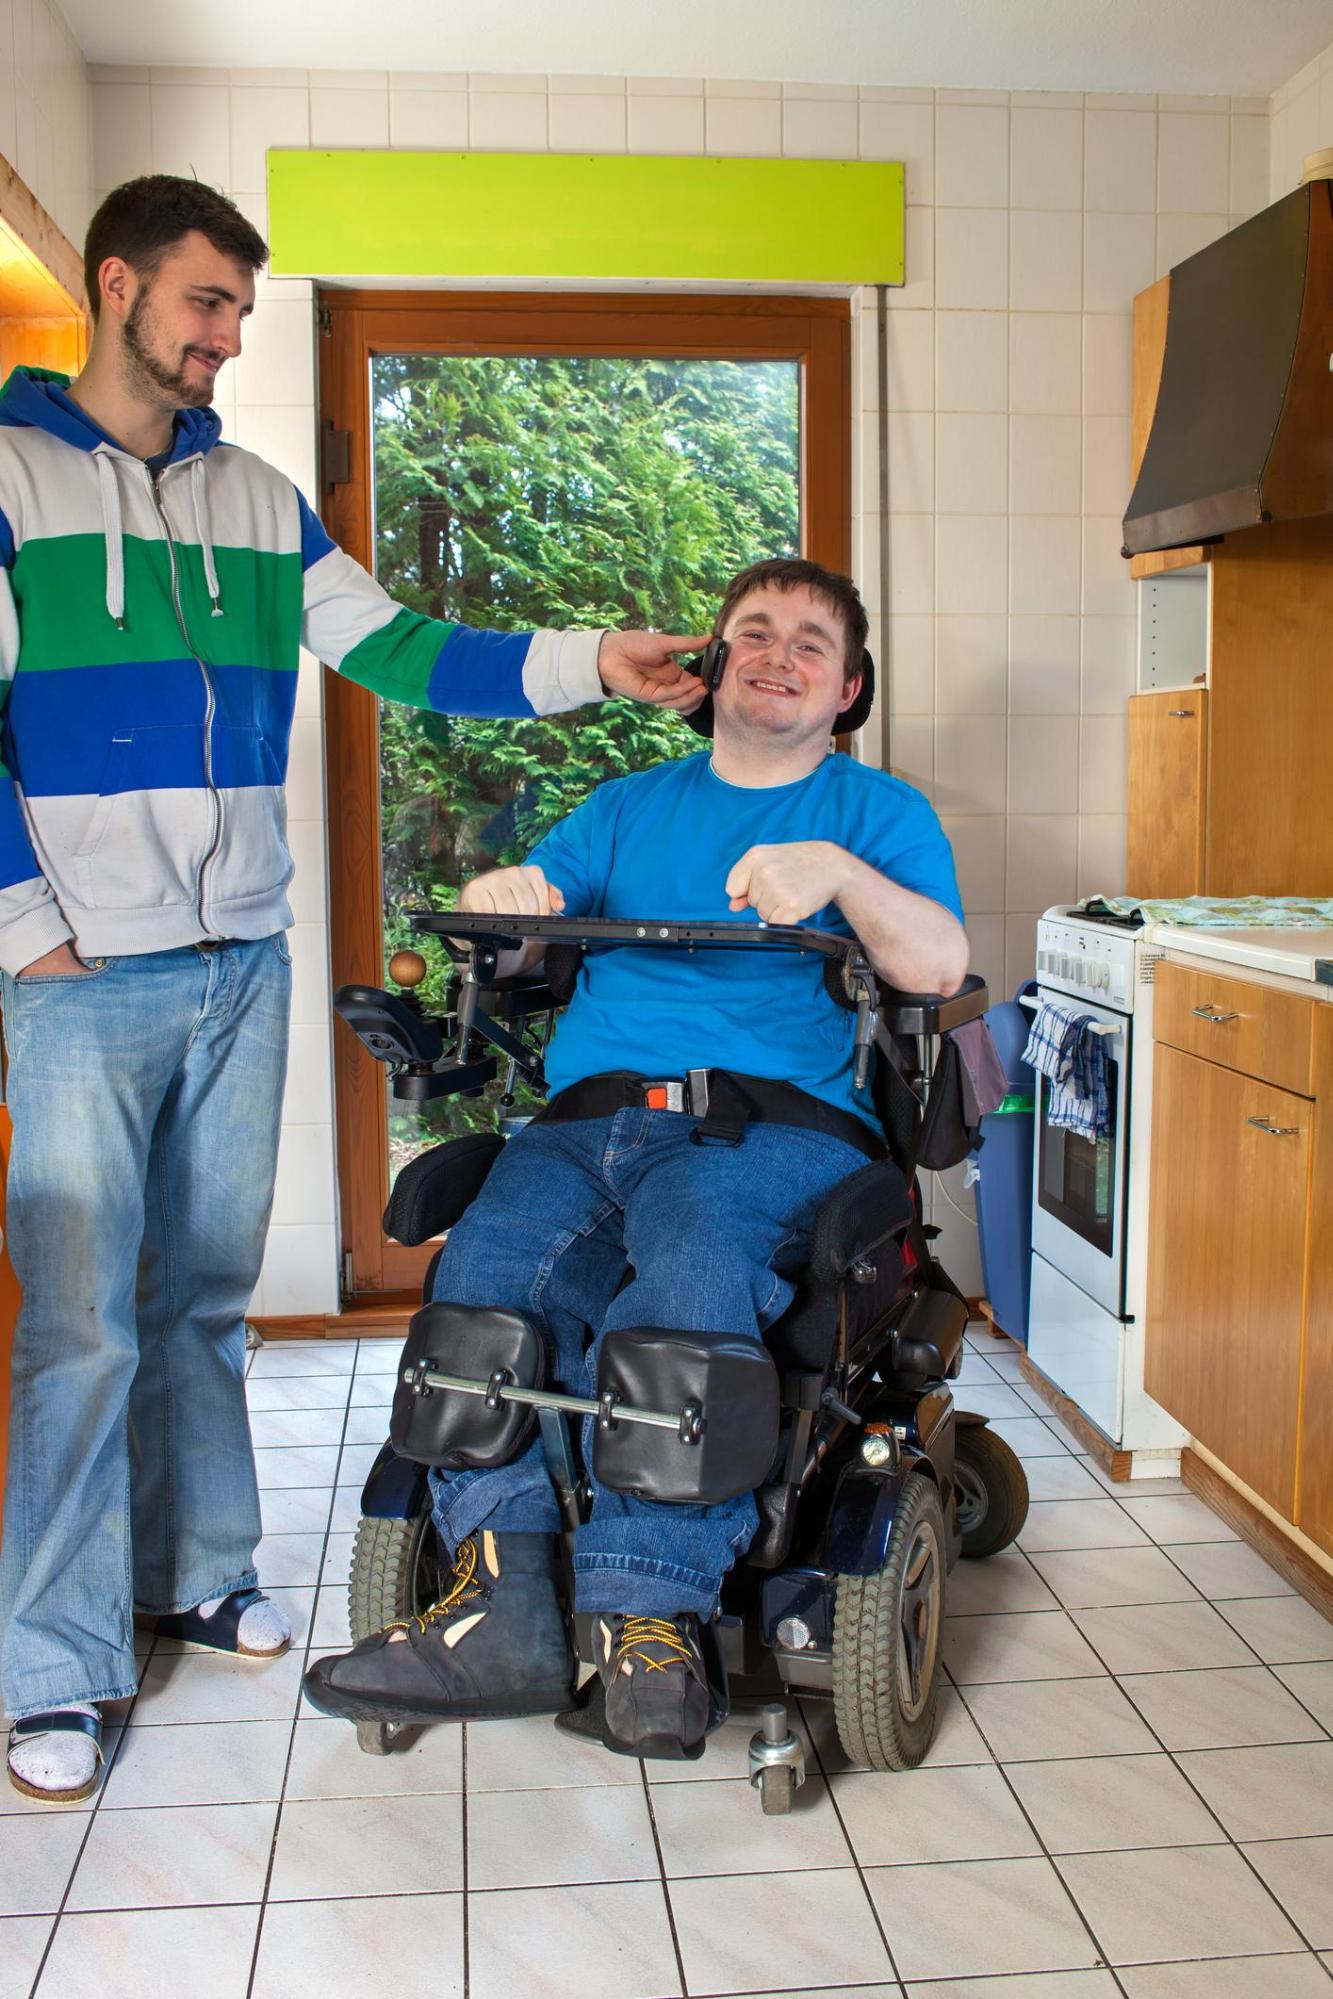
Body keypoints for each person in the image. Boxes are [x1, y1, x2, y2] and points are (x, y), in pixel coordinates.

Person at [0, 174, 706, 1804]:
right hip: (79, 974)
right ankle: (56, 1657)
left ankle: (200, 1566)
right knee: (83, 1327)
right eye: (205, 305)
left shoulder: (253, 498)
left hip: (240, 958)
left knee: (196, 1304)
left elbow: (403, 648)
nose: (230, 338)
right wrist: (26, 924)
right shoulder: (13, 476)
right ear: (117, 288)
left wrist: (591, 657)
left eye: (242, 309)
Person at [304, 556, 968, 1761]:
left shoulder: (878, 814)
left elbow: (933, 966)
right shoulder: (625, 805)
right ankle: (502, 1604)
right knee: (483, 1289)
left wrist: (837, 876)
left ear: (848, 689)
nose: (777, 652)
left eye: (809, 643)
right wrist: (500, 892)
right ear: (711, 666)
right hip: (586, 1120)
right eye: (752, 631)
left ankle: (648, 1615)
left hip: (765, 1128)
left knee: (689, 1288)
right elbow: (511, 917)